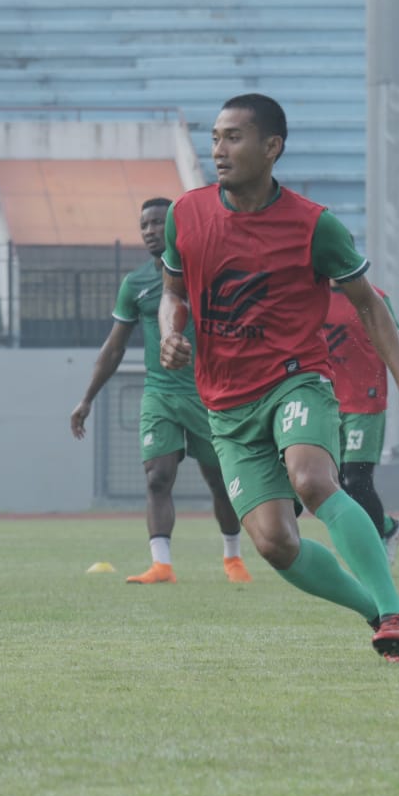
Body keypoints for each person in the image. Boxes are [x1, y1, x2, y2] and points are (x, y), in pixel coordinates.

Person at [158, 93, 399, 662]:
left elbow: (370, 306)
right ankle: (378, 613)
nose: (218, 149)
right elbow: (171, 292)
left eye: (233, 137)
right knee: (275, 542)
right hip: (226, 407)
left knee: (312, 481)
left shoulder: (315, 226)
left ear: (272, 147)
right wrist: (171, 328)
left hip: (296, 380)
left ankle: (395, 612)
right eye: (215, 137)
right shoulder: (184, 215)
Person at [71, 197, 251, 585]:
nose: (150, 231)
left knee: (219, 481)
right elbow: (115, 346)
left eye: (158, 223)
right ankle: (162, 565)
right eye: (144, 225)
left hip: (209, 395)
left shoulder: (207, 276)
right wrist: (87, 398)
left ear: (174, 228)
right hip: (160, 394)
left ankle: (233, 558)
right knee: (157, 477)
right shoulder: (135, 284)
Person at [325, 281, 399, 566]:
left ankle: (375, 547)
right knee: (333, 482)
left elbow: (396, 344)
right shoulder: (309, 293)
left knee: (357, 478)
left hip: (364, 401)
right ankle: (389, 527)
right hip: (326, 402)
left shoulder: (373, 297)